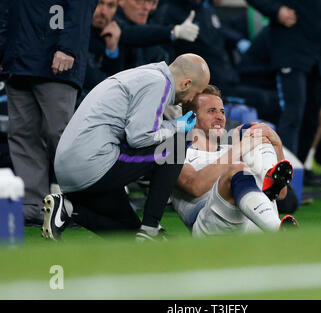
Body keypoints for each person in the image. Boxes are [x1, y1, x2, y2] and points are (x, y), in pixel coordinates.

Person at [41, 54, 210, 241]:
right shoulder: (158, 83)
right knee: (175, 145)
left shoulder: (148, 73)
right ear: (186, 84)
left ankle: (68, 209)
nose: (193, 99)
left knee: (129, 235)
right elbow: (140, 138)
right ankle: (151, 228)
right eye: (197, 92)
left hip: (71, 168)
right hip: (94, 163)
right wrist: (176, 126)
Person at [0, 0, 97, 225]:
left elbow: (81, 6)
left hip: (55, 58)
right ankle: (33, 205)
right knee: (22, 134)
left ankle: (80, 204)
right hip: (17, 59)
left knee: (61, 135)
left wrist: (68, 47)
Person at [171, 85, 298, 237]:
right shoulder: (176, 152)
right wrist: (240, 148)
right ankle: (276, 228)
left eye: (222, 111)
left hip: (252, 222)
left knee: (257, 132)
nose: (220, 117)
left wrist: (277, 146)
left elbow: (281, 194)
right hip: (210, 227)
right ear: (192, 118)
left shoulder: (232, 149)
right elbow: (194, 186)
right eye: (212, 111)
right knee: (238, 169)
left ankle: (272, 219)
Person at [153, 0, 281, 129]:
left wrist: (237, 41)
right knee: (268, 102)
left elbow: (221, 31)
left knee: (276, 99)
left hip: (230, 80)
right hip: (209, 87)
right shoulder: (171, 11)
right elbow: (164, 54)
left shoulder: (206, 9)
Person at [82, 0, 125, 101]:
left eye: (110, 6)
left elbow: (118, 82)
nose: (103, 12)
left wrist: (112, 49)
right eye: (99, 3)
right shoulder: (75, 30)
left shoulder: (116, 32)